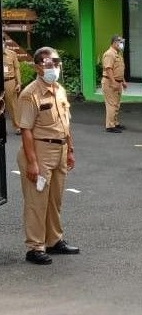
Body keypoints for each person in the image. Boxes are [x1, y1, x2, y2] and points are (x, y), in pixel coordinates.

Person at [16, 47, 80, 265]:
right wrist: (32, 163)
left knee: (55, 200)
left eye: (56, 62)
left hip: (60, 150)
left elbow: (66, 123)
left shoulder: (59, 89)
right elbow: (25, 130)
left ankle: (54, 240)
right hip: (40, 151)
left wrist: (70, 150)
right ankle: (35, 247)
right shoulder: (30, 94)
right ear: (37, 67)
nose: (54, 67)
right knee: (37, 202)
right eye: (48, 63)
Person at [102, 35, 127, 133]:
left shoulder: (118, 54)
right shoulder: (109, 54)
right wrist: (113, 83)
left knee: (116, 104)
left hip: (118, 82)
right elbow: (108, 69)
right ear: (114, 42)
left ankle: (115, 123)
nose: (121, 44)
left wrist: (123, 81)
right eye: (120, 42)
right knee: (111, 104)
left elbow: (119, 70)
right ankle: (110, 126)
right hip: (110, 82)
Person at [3, 34, 22, 135]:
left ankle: (18, 126)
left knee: (13, 105)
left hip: (9, 81)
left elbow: (17, 69)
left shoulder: (12, 54)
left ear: (4, 43)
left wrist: (19, 83)